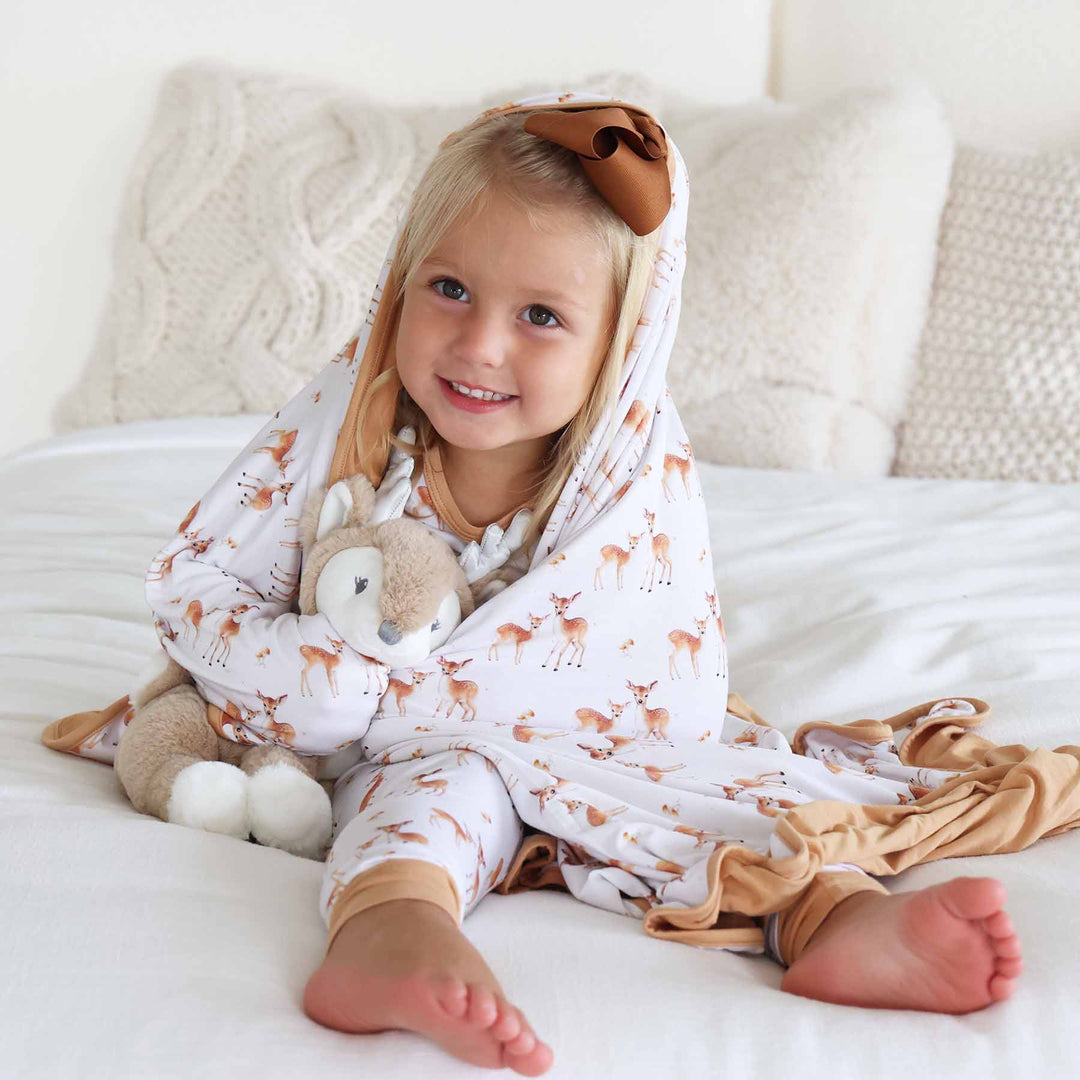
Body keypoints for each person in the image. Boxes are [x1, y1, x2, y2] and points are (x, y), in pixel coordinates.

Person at [126, 90, 1037, 1076]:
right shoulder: (348, 422)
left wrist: (503, 720)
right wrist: (311, 676)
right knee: (441, 792)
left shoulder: (631, 466)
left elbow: (657, 674)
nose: (480, 345)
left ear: (618, 344)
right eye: (448, 291)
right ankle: (389, 929)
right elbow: (200, 584)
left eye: (542, 316)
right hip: (393, 749)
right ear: (398, 282)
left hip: (595, 734)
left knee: (728, 786)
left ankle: (836, 918)